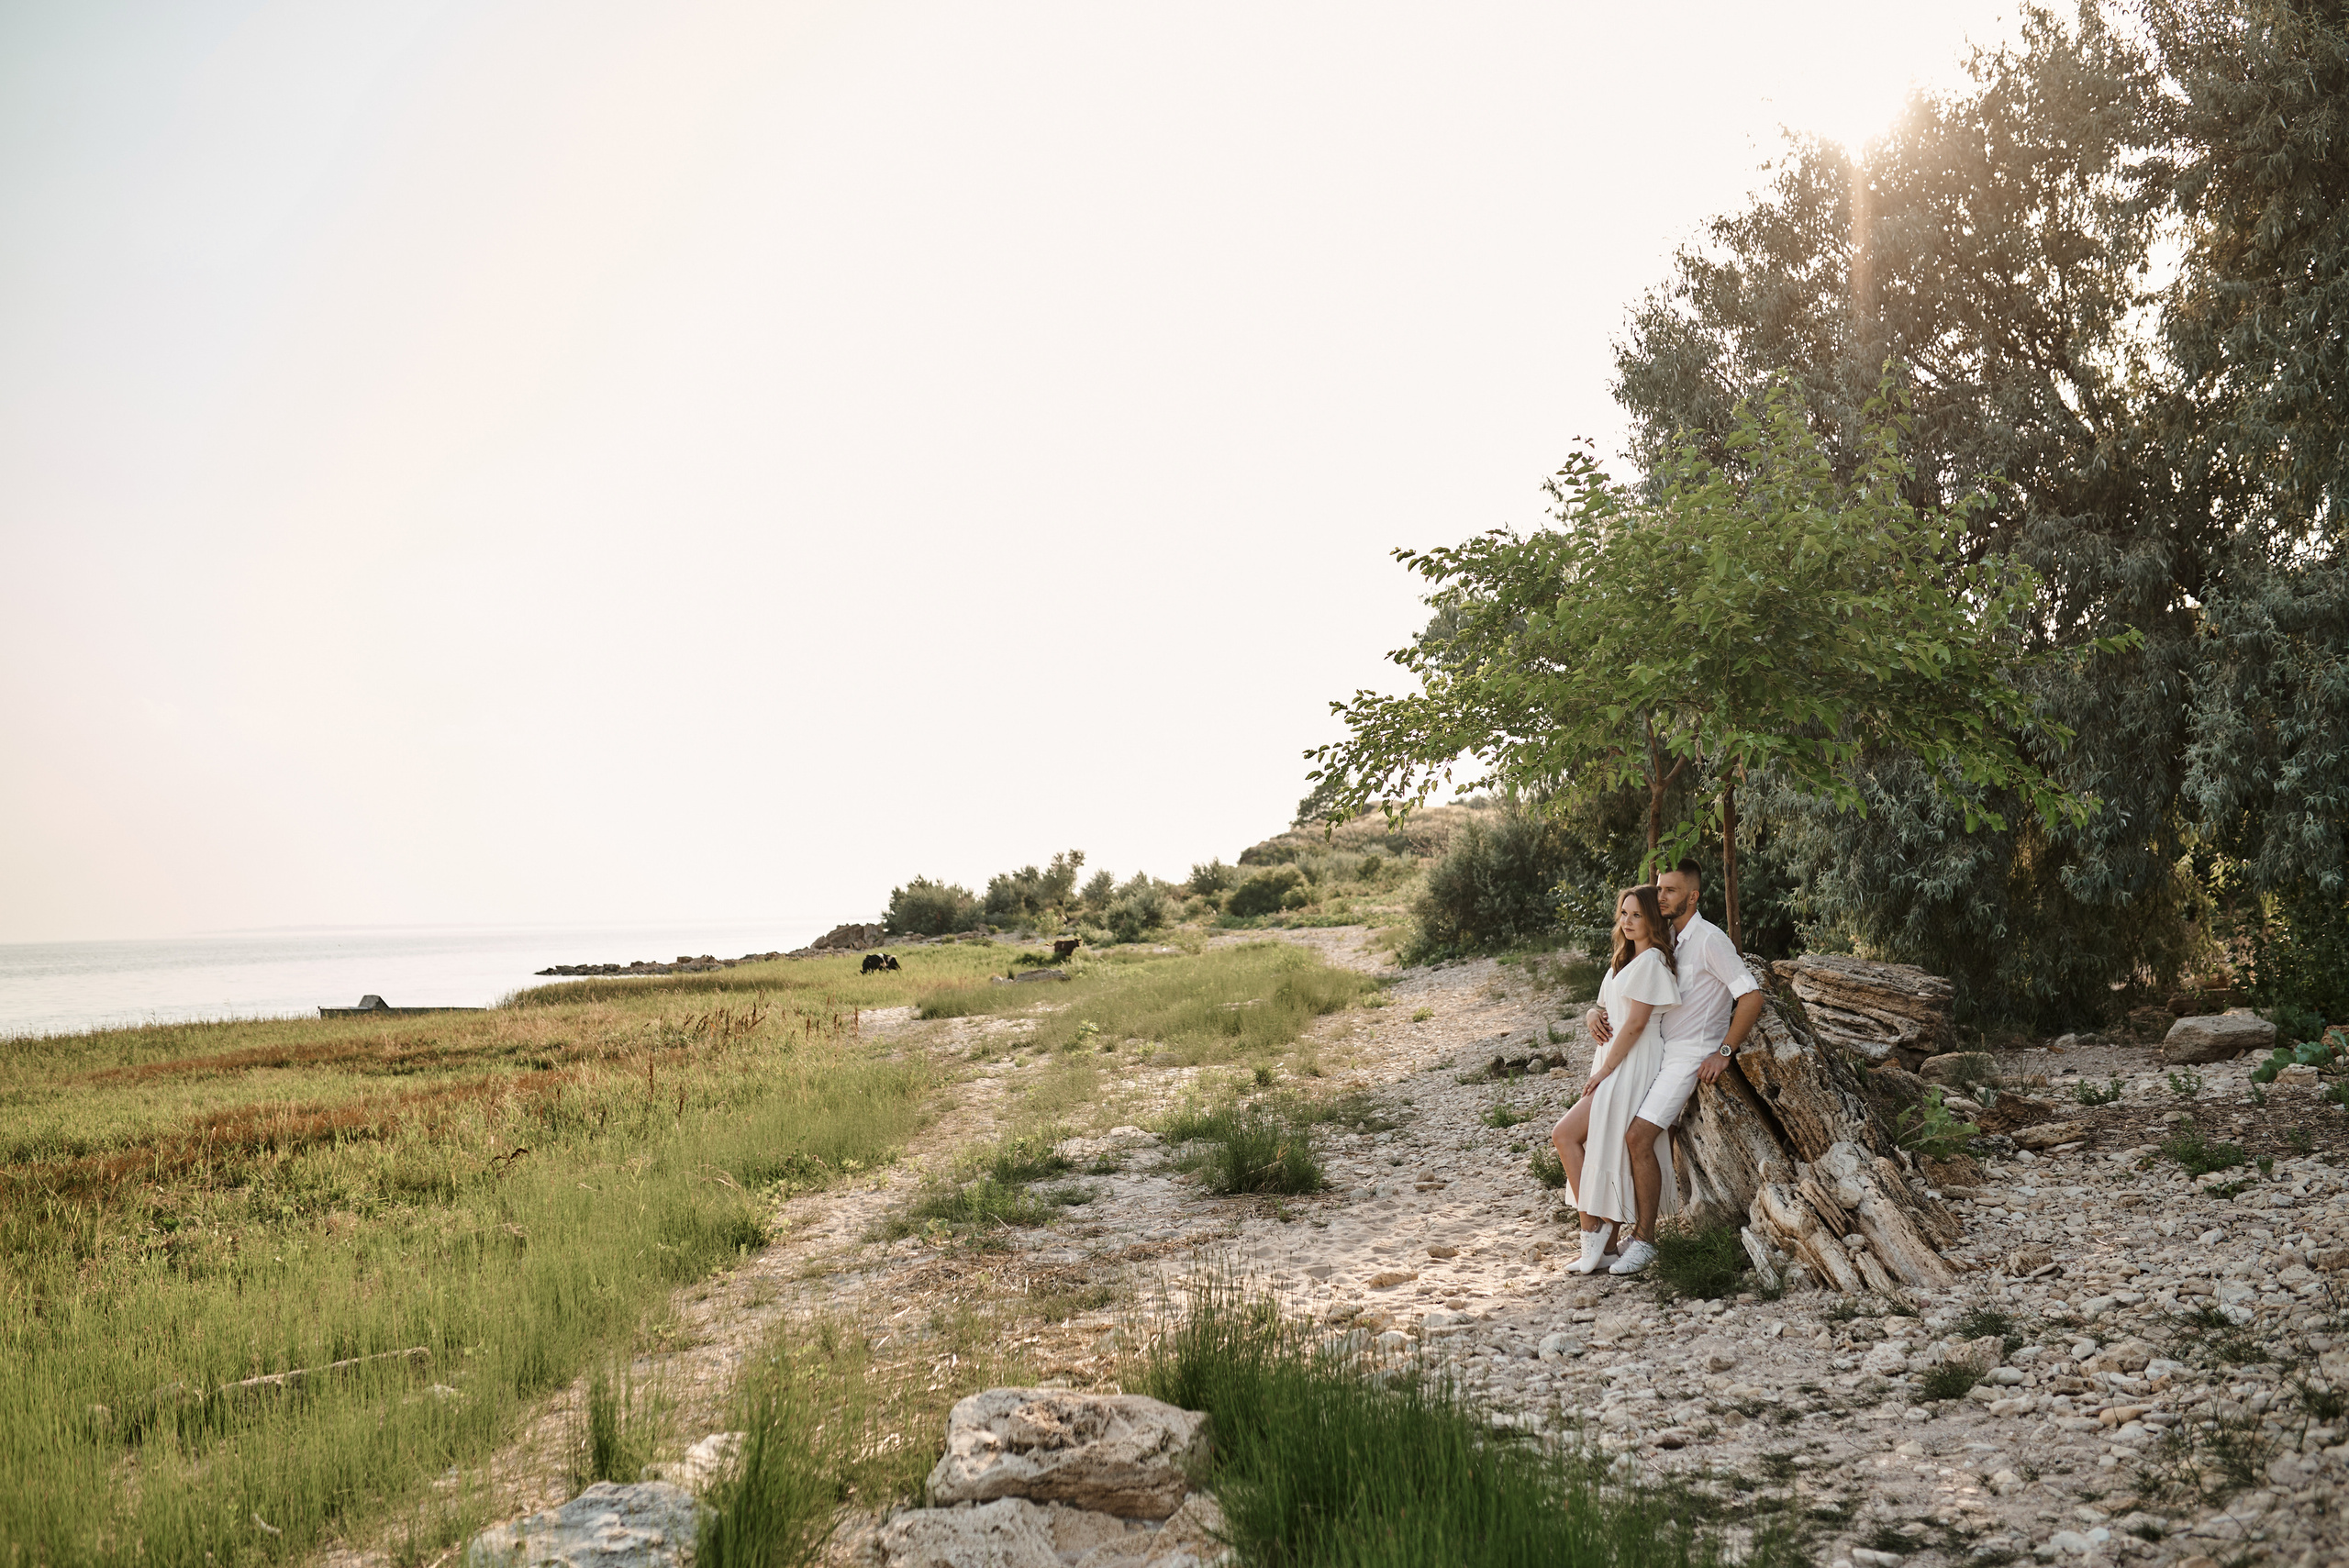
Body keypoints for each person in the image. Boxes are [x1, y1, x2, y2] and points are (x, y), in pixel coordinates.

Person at [1580, 856, 1766, 1275]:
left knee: (1639, 1137)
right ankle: (1614, 1235)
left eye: (1670, 890)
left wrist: (1723, 1052)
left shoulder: (1709, 939)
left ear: (1693, 896)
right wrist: (1595, 1013)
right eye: (1659, 888)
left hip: (1688, 1055)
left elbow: (1751, 996)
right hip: (1658, 1053)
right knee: (1621, 1134)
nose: (1660, 896)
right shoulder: (1672, 939)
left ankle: (1647, 1240)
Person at [1550, 884, 1679, 1274]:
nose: (1627, 921)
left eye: (1637, 915)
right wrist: (1591, 1014)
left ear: (1652, 920)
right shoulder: (1624, 959)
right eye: (1624, 913)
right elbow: (1604, 1005)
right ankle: (1602, 1243)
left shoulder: (1654, 961)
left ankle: (1594, 1230)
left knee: (1566, 1133)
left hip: (1632, 1063)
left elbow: (1637, 1023)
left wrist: (1607, 1071)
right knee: (1597, 1143)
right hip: (1612, 1059)